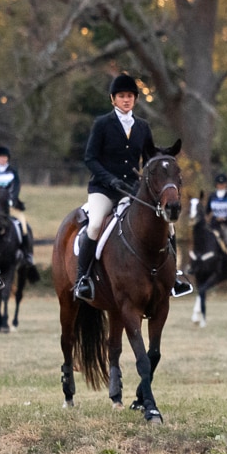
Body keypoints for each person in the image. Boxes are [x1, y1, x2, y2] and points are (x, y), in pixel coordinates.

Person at [74, 72, 178, 301]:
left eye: (130, 96)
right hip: (103, 189)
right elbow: (90, 158)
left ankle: (174, 276)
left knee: (169, 226)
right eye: (121, 96)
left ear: (135, 99)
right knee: (94, 226)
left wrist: (161, 163)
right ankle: (83, 278)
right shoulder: (102, 124)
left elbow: (148, 159)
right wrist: (109, 179)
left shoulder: (142, 126)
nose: (126, 99)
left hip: (132, 190)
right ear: (113, 99)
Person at [200, 170, 227, 275]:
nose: (221, 186)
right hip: (214, 224)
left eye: (223, 184)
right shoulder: (212, 196)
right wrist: (207, 219)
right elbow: (207, 211)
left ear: (226, 184)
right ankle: (197, 264)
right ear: (216, 184)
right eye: (219, 184)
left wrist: (225, 218)